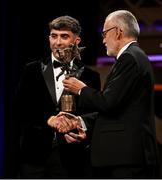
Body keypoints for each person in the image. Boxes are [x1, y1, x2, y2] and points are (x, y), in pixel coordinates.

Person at [62, 10, 159, 178]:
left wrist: (81, 89)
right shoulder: (134, 57)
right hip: (125, 158)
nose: (103, 40)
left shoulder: (129, 58)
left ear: (118, 32)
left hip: (126, 160)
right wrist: (81, 121)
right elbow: (119, 110)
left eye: (105, 33)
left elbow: (108, 102)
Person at [14, 15, 101, 178]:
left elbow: (94, 116)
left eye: (64, 36)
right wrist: (48, 119)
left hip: (72, 161)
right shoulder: (32, 70)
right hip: (33, 159)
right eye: (54, 36)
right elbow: (19, 109)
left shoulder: (90, 77)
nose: (58, 42)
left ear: (77, 40)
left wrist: (82, 134)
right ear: (49, 38)